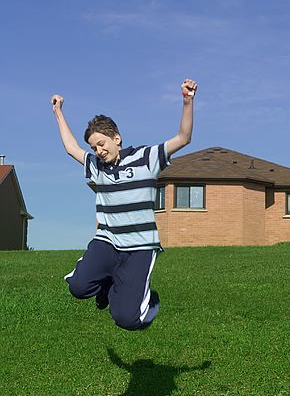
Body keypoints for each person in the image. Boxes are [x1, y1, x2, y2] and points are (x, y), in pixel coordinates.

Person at [51, 79, 197, 331]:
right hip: (107, 241)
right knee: (78, 287)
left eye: (102, 144)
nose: (98, 151)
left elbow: (183, 138)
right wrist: (58, 112)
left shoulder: (146, 158)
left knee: (128, 320)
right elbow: (70, 147)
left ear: (116, 138)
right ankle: (106, 285)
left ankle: (149, 300)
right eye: (94, 147)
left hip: (139, 247)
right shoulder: (96, 167)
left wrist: (187, 101)